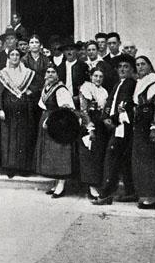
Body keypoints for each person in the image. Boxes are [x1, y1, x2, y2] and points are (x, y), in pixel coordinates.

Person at [93, 59, 138, 205]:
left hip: (123, 125)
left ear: (131, 70)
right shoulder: (118, 84)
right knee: (123, 159)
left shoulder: (131, 84)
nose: (122, 69)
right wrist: (105, 117)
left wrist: (113, 119)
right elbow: (110, 103)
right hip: (115, 124)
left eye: (126, 67)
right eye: (120, 67)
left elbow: (126, 105)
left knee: (111, 157)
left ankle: (105, 194)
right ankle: (130, 191)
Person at [131, 56, 155, 209]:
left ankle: (154, 197)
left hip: (149, 125)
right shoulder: (140, 83)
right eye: (137, 65)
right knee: (141, 161)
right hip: (140, 126)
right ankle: (146, 195)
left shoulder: (154, 82)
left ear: (149, 66)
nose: (140, 67)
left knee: (151, 161)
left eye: (143, 64)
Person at [34, 64, 76, 197]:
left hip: (58, 122)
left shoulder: (61, 89)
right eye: (48, 72)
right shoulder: (46, 87)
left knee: (59, 152)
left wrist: (50, 119)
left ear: (58, 75)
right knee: (51, 153)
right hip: (48, 120)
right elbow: (43, 105)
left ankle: (61, 185)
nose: (50, 74)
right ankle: (56, 183)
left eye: (53, 72)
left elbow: (66, 109)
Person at [0, 48, 37, 176]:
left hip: (24, 110)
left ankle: (23, 168)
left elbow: (35, 87)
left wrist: (30, 92)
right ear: (8, 57)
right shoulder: (3, 73)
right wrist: (0, 109)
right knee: (9, 138)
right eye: (12, 55)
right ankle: (10, 168)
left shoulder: (27, 72)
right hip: (9, 111)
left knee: (23, 138)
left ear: (20, 57)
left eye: (17, 55)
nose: (14, 57)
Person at [77, 68, 109, 200]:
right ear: (91, 76)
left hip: (100, 124)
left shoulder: (104, 91)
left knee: (98, 155)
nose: (98, 79)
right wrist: (90, 128)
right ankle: (90, 187)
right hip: (89, 123)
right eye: (95, 76)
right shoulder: (86, 88)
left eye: (101, 76)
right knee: (89, 155)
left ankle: (96, 185)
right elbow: (83, 110)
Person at [21, 34, 52, 169]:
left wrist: (44, 90)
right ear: (29, 45)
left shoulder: (46, 59)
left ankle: (40, 163)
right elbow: (21, 76)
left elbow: (49, 75)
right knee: (29, 127)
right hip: (28, 95)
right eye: (32, 42)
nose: (34, 44)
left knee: (41, 126)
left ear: (40, 45)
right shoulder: (24, 59)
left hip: (42, 95)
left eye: (36, 42)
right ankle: (28, 163)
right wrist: (27, 89)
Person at [55, 43, 89, 108]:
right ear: (64, 52)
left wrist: (79, 95)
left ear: (76, 51)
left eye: (71, 49)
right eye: (67, 50)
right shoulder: (60, 68)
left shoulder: (83, 66)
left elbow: (87, 83)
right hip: (63, 100)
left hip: (78, 100)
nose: (69, 52)